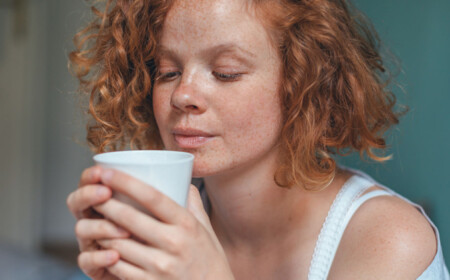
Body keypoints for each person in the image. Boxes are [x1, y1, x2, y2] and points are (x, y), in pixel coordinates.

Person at [66, 0, 449, 279]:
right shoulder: (163, 238)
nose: (182, 94)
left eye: (225, 72)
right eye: (167, 71)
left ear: (302, 82)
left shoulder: (390, 242)